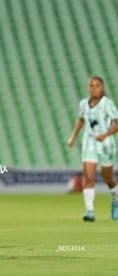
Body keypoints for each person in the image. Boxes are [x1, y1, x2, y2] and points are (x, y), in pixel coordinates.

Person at [68, 76, 118, 222]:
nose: (94, 88)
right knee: (89, 177)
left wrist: (105, 135)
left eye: (97, 85)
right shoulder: (83, 104)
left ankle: (115, 202)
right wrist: (73, 137)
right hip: (89, 143)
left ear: (102, 88)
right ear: (88, 87)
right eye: (91, 85)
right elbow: (81, 119)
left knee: (108, 177)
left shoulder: (107, 104)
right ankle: (90, 210)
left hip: (106, 144)